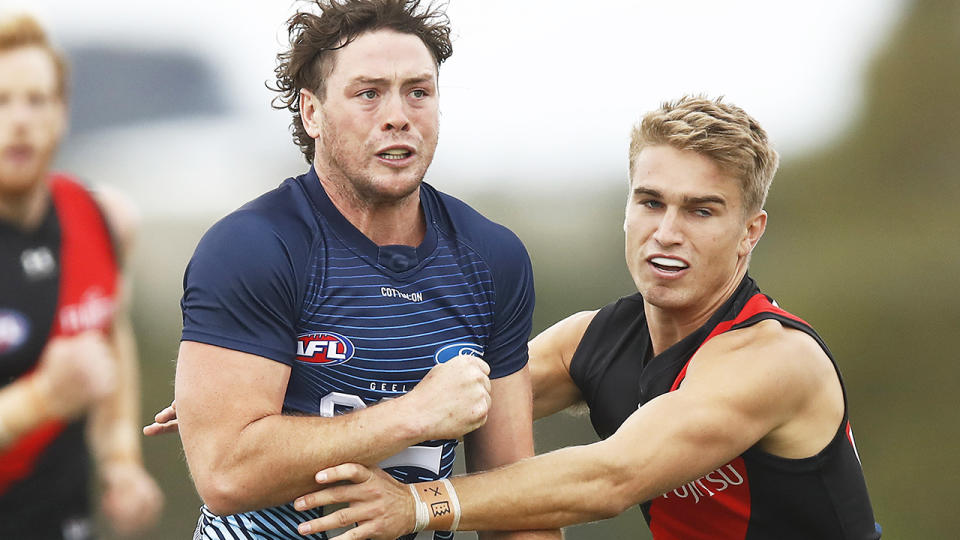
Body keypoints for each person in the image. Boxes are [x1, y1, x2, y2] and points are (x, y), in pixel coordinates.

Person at [291, 96, 882, 540]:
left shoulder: (774, 360)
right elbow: (447, 396)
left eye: (701, 211)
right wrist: (254, 414)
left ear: (750, 231)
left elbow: (608, 480)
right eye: (650, 202)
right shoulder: (591, 341)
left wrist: (419, 504)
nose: (667, 234)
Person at [161, 1, 556, 539]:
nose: (398, 115)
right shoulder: (252, 246)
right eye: (368, 93)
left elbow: (518, 503)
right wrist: (413, 415)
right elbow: (225, 474)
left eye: (418, 92)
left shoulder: (491, 258)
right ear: (311, 113)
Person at [0, 13, 163, 540]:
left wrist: (121, 459)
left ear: (62, 112)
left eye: (37, 100)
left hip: (64, 520)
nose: (20, 120)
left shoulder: (103, 218)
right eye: (1, 101)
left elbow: (111, 335)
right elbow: (60, 388)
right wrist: (41, 399)